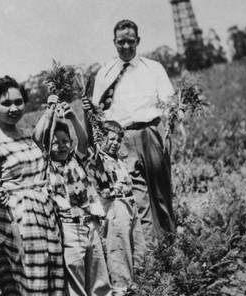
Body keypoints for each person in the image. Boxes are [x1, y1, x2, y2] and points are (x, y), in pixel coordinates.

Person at [91, 19, 178, 245]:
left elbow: (170, 102)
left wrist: (174, 121)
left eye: (131, 41)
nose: (126, 46)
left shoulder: (153, 68)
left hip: (151, 134)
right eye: (121, 42)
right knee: (137, 198)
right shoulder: (105, 73)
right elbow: (97, 112)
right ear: (114, 42)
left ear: (138, 40)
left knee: (161, 193)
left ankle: (171, 246)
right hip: (122, 141)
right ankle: (150, 256)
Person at [0, 76, 64, 295]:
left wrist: (51, 106)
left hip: (45, 214)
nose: (13, 108)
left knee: (51, 270)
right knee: (29, 278)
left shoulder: (27, 136)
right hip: (19, 220)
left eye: (18, 102)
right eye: (6, 103)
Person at [33, 95, 112, 296]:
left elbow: (84, 139)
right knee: (75, 279)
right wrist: (49, 110)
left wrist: (72, 116)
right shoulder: (46, 166)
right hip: (68, 227)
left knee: (99, 277)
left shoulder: (76, 160)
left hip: (89, 223)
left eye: (65, 141)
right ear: (48, 147)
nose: (61, 146)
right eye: (56, 142)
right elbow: (37, 138)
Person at [82, 114, 146, 296]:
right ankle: (121, 288)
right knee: (119, 249)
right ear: (100, 138)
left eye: (118, 139)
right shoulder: (97, 158)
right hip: (114, 206)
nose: (115, 143)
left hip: (129, 204)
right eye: (111, 139)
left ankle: (139, 285)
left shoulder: (118, 160)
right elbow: (100, 188)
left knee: (137, 247)